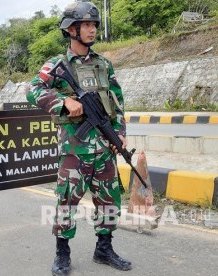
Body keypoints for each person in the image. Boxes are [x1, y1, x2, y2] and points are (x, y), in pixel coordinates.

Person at [26, 1, 131, 274]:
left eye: (94, 24)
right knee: (66, 203)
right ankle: (62, 254)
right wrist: (62, 101)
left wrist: (119, 135)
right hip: (74, 151)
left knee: (110, 201)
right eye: (86, 24)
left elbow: (117, 103)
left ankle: (104, 248)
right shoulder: (57, 64)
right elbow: (33, 89)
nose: (92, 29)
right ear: (71, 29)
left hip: (104, 149)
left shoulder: (103, 64)